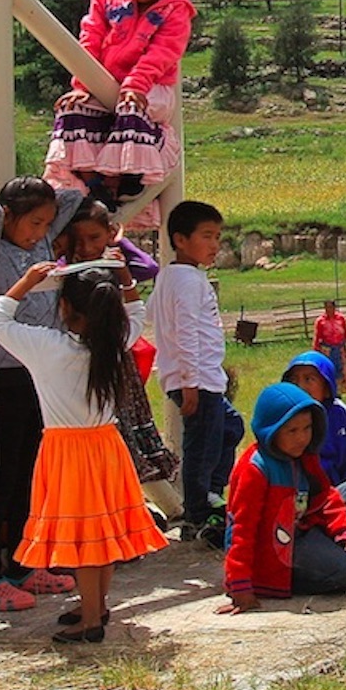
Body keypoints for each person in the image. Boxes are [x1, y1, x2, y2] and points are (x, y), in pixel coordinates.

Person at [0, 262, 169, 643]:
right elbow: (137, 312)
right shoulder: (115, 343)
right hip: (107, 446)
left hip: (68, 451)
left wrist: (26, 282)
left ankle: (90, 619)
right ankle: (96, 606)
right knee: (102, 533)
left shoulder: (47, 347)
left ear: (65, 306)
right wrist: (125, 278)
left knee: (85, 540)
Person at [0, 176, 85, 612]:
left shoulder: (41, 241)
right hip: (8, 372)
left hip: (42, 372)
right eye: (33, 223)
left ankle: (23, 562)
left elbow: (72, 197)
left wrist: (40, 208)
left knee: (32, 473)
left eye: (46, 223)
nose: (40, 232)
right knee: (1, 477)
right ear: (10, 217)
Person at [44, 0, 194, 216]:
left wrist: (135, 85)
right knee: (72, 108)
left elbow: (162, 53)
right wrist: (82, 84)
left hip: (153, 87)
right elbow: (90, 38)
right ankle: (93, 184)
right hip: (104, 85)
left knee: (131, 106)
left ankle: (132, 179)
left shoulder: (176, 8)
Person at [56, 199, 178, 521]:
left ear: (109, 233)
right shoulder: (63, 269)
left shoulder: (114, 264)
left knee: (125, 437)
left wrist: (118, 250)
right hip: (76, 364)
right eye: (77, 239)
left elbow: (148, 267)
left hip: (114, 366)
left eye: (94, 237)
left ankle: (135, 508)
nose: (85, 247)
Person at [219, 382, 346, 611]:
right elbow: (242, 529)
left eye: (307, 428)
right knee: (345, 569)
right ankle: (298, 577)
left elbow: (325, 496)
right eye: (292, 431)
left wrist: (343, 532)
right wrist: (239, 584)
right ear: (271, 430)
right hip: (277, 547)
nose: (302, 438)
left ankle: (340, 553)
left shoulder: (303, 457)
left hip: (302, 525)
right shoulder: (256, 469)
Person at [148, 200, 246, 543]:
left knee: (231, 426)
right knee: (201, 448)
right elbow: (186, 331)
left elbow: (155, 314)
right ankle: (198, 514)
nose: (214, 244)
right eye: (206, 236)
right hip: (197, 380)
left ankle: (210, 493)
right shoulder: (187, 280)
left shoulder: (172, 277)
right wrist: (189, 382)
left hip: (202, 378)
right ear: (180, 239)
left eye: (217, 236)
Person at [282, 350, 346, 486]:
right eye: (294, 380)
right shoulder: (283, 412)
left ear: (327, 387)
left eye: (309, 379)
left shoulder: (338, 412)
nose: (300, 386)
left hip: (332, 490)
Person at [313, 301, 346, 393]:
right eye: (327, 307)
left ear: (334, 308)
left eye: (331, 307)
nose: (329, 310)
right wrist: (316, 349)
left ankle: (339, 390)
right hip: (327, 348)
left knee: (340, 369)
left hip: (339, 347)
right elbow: (317, 336)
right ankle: (329, 389)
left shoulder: (341, 318)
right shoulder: (320, 321)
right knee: (328, 368)